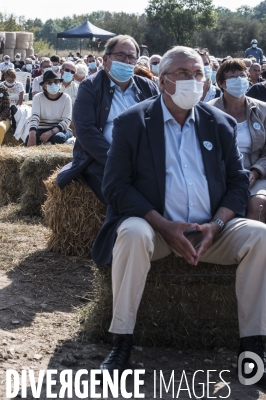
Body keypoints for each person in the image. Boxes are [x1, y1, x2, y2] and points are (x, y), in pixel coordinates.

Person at [95, 47, 266, 383]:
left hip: (211, 231)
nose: (194, 81)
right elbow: (114, 187)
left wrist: (217, 224)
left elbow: (237, 185)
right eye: (184, 74)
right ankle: (122, 341)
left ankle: (253, 348)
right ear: (162, 81)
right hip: (154, 229)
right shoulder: (133, 122)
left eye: (199, 74)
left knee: (260, 236)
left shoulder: (220, 124)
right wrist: (161, 223)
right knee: (130, 232)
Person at [56, 35, 159, 204]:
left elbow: (158, 125)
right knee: (123, 195)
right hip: (101, 159)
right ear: (105, 59)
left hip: (143, 160)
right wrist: (118, 160)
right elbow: (86, 131)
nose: (127, 61)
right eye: (120, 55)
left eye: (131, 56)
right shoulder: (90, 86)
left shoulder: (147, 87)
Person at [208, 58, 266, 223]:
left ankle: (252, 243)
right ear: (221, 83)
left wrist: (256, 172)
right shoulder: (208, 111)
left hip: (256, 172)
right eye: (233, 77)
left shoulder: (263, 110)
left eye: (242, 75)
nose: (239, 80)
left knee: (258, 204)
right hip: (220, 172)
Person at [27, 70, 72, 146]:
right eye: (50, 82)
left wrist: (51, 132)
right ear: (44, 85)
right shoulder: (38, 97)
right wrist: (32, 134)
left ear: (59, 84)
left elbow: (66, 120)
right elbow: (35, 117)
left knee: (58, 138)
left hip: (60, 130)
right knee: (30, 139)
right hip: (42, 128)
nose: (53, 84)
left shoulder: (66, 98)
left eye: (56, 82)